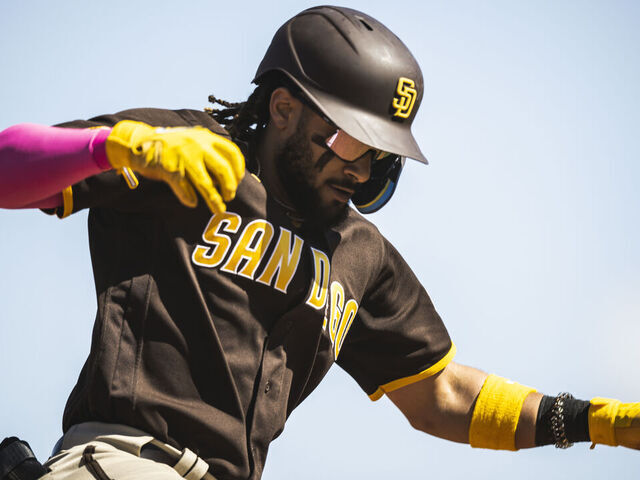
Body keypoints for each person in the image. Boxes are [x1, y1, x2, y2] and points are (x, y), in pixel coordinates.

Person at [0, 5, 638, 480]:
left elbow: (442, 396)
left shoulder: (360, 254)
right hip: (127, 460)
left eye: (381, 153)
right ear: (283, 110)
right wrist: (104, 148)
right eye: (353, 141)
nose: (363, 169)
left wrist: (592, 422)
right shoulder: (180, 153)